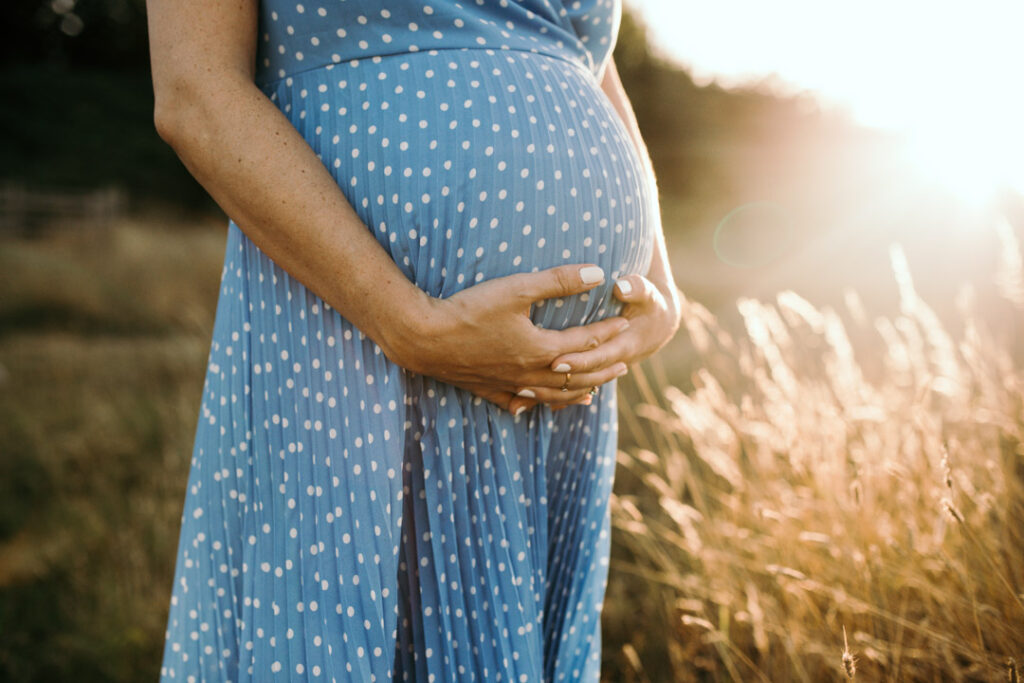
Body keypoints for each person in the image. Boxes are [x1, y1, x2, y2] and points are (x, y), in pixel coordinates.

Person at [146, 0, 681, 680]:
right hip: (348, 328)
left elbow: (586, 61)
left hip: (555, 405)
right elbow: (196, 91)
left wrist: (663, 287)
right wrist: (406, 321)